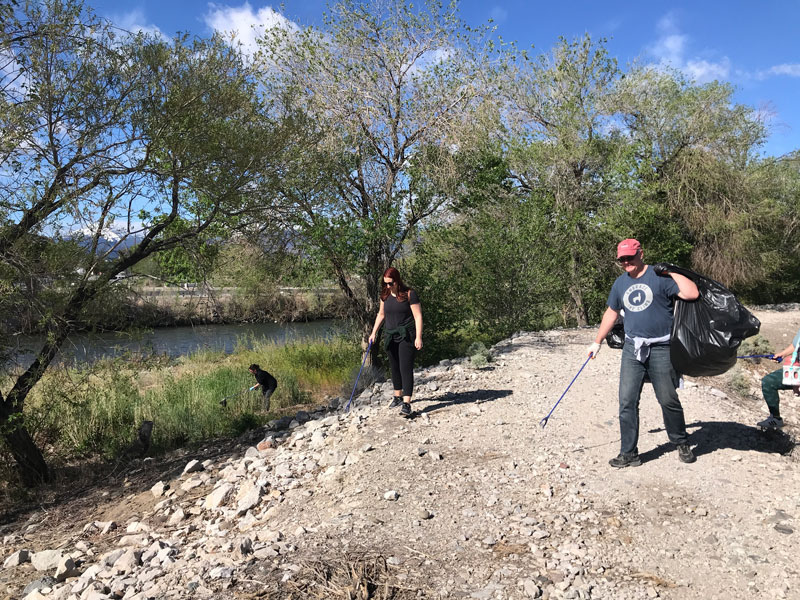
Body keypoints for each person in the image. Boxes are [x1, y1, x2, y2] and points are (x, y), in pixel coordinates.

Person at [588, 238, 700, 467]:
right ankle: (629, 453)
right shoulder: (620, 284)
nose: (626, 262)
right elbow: (611, 312)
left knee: (667, 398)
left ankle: (681, 441)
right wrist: (597, 341)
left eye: (630, 257)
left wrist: (669, 271)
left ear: (641, 254)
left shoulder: (659, 277)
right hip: (632, 348)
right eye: (622, 259)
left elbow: (692, 293)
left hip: (661, 347)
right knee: (627, 401)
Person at [368, 267, 423, 417]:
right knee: (394, 367)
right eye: (385, 284)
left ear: (397, 281)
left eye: (390, 283)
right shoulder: (385, 296)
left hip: (406, 336)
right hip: (390, 335)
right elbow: (381, 314)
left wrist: (418, 337)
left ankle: (406, 403)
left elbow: (418, 316)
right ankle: (397, 396)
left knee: (405, 367)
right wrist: (373, 333)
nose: (387, 286)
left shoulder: (409, 294)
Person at [757, 332, 800, 429]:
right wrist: (783, 354)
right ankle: (775, 419)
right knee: (769, 382)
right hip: (795, 369)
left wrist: (797, 381)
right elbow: (796, 344)